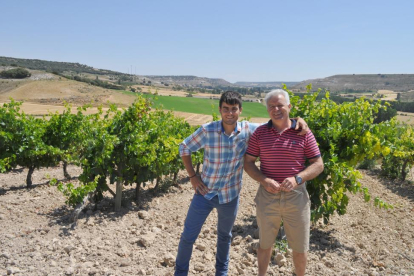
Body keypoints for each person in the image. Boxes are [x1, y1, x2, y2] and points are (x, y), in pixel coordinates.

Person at [174, 91, 309, 276]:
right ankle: (180, 273)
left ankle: (221, 273)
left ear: (240, 110)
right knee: (188, 237)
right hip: (204, 194)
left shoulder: (248, 130)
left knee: (224, 237)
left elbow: (277, 121)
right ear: (220, 110)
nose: (230, 113)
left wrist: (296, 120)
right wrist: (192, 176)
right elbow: (184, 147)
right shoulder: (208, 130)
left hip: (229, 197)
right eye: (226, 109)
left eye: (234, 109)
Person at [244, 89, 324, 276]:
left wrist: (298, 178)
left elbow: (318, 164)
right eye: (271, 106)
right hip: (267, 196)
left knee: (300, 247)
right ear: (267, 109)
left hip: (296, 197)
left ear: (289, 106)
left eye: (280, 105)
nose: (276, 109)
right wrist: (264, 180)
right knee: (264, 244)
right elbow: (248, 162)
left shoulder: (303, 132)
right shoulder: (260, 133)